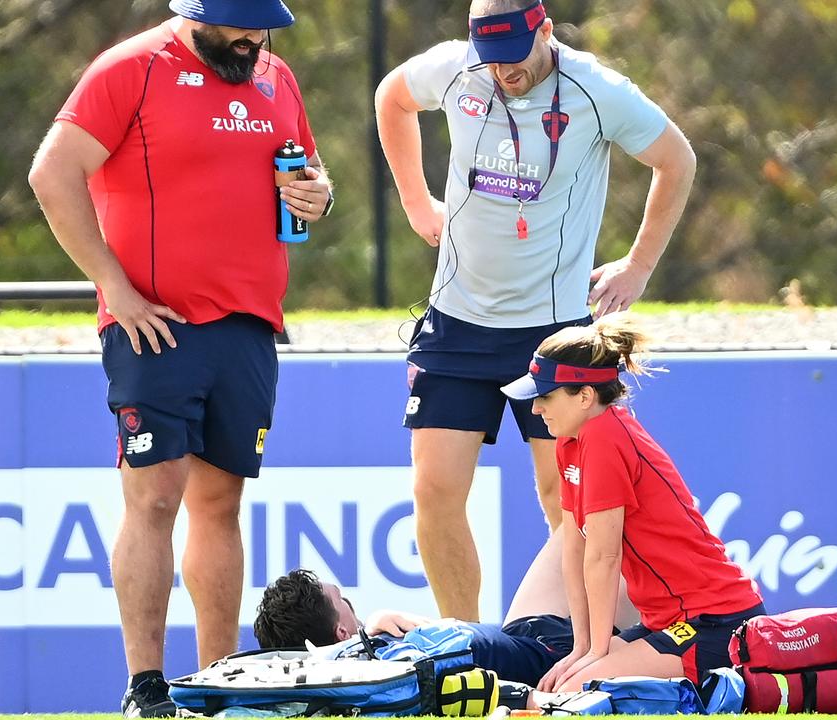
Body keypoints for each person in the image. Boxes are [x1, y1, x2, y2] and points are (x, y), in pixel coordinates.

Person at [27, 1, 333, 716]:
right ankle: (146, 688)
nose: (254, 40)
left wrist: (318, 194)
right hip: (155, 325)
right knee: (156, 495)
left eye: (264, 28)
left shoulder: (275, 76)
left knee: (220, 505)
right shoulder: (131, 68)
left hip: (249, 323)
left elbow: (307, 175)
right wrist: (114, 288)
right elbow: (53, 174)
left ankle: (217, 683)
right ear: (195, 14)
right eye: (239, 26)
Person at [374, 0, 697, 622]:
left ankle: (579, 646)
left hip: (553, 332)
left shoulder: (596, 89)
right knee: (434, 492)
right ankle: (463, 647)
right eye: (490, 59)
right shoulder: (460, 67)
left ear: (544, 31)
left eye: (514, 57)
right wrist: (417, 204)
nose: (502, 73)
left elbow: (676, 159)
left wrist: (638, 266)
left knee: (568, 500)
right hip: (457, 319)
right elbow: (392, 96)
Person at [499, 314, 766, 692]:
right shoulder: (571, 439)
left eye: (545, 396)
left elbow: (604, 557)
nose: (537, 409)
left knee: (575, 691)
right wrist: (582, 647)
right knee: (562, 682)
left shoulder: (605, 436)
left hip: (714, 621)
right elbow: (574, 548)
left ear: (585, 396)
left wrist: (598, 654)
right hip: (668, 620)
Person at [253, 529, 640, 688]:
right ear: (340, 634)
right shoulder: (383, 677)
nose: (359, 609)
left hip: (521, 627)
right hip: (559, 654)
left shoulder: (377, 642)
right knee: (619, 537)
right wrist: (368, 629)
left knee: (576, 523)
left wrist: (371, 626)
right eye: (346, 604)